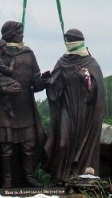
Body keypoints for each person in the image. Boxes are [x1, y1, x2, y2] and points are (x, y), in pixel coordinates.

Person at [0, 21, 49, 188]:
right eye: (18, 31)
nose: (22, 34)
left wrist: (44, 80)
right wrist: (4, 88)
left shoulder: (29, 54)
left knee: (29, 145)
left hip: (25, 109)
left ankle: (28, 176)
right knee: (6, 148)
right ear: (9, 34)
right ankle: (7, 179)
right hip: (4, 110)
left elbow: (35, 82)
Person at [43, 28, 105, 186]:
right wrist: (49, 81)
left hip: (85, 112)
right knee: (63, 143)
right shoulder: (63, 61)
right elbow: (54, 86)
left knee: (81, 146)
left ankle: (75, 177)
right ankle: (58, 177)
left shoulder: (91, 63)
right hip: (67, 109)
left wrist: (86, 78)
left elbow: (97, 91)